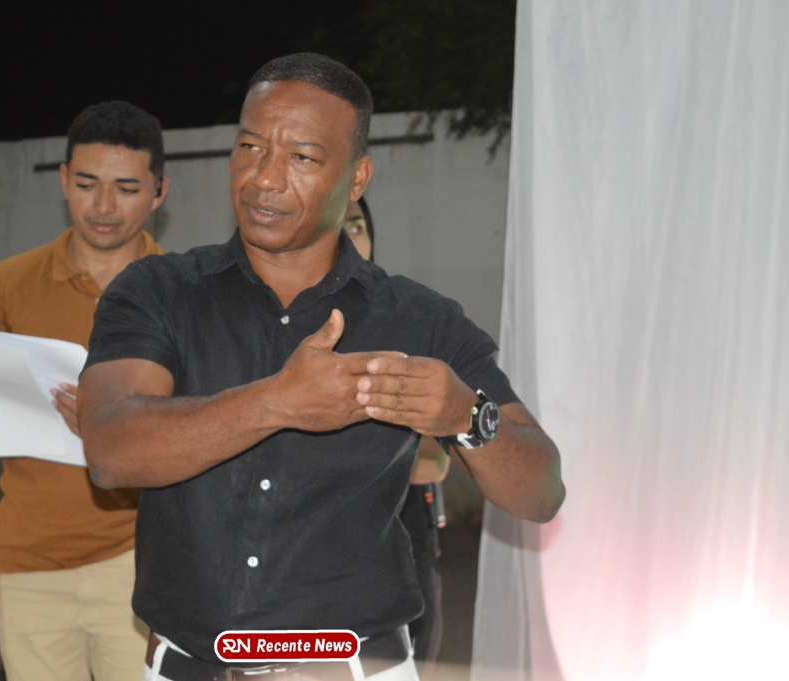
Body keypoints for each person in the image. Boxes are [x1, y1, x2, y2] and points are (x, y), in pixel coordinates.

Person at [79, 53, 565, 681]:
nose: (264, 178)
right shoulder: (158, 291)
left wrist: (465, 415)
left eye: (302, 157)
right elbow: (110, 450)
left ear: (357, 177)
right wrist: (277, 402)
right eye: (250, 147)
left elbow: (542, 492)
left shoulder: (419, 320)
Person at [0, 101, 168, 681]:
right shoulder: (10, 282)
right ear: (63, 180)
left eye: (126, 188)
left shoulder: (184, 291)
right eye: (87, 184)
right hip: (28, 564)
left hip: (144, 561)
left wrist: (111, 430)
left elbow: (205, 435)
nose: (103, 206)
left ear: (159, 191)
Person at [344, 196, 448, 673]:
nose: (350, 239)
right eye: (336, 226)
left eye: (358, 225)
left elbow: (432, 462)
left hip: (402, 533)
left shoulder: (403, 325)